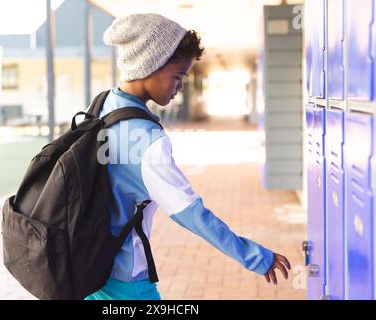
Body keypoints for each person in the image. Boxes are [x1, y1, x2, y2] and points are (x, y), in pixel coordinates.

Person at [84, 13, 291, 300]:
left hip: (87, 266)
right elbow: (191, 214)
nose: (180, 86)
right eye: (178, 76)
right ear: (151, 65)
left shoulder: (102, 106)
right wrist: (254, 256)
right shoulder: (146, 139)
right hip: (125, 278)